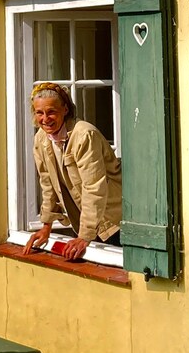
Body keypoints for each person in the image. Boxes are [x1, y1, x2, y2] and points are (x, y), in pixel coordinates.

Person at [23, 82, 122, 262]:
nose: (45, 119)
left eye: (51, 111)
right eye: (39, 113)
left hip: (113, 220)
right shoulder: (41, 138)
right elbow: (47, 184)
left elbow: (94, 187)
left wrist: (85, 235)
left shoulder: (84, 135)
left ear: (65, 109)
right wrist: (46, 225)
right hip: (88, 225)